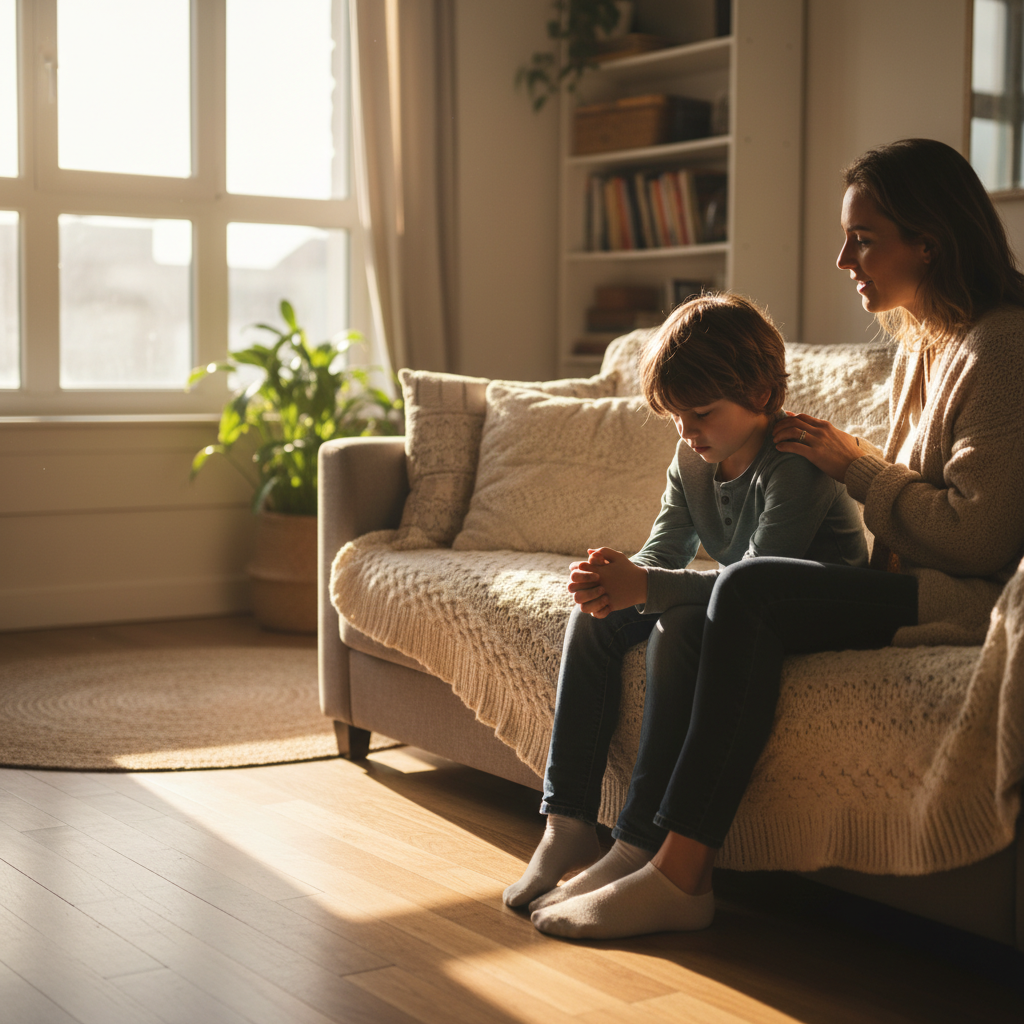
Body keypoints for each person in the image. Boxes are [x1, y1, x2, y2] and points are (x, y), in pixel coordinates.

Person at [519, 138, 1024, 941]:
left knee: (752, 586)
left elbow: (976, 536)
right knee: (700, 607)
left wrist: (855, 467)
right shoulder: (929, 344)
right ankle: (619, 839)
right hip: (911, 581)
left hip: (965, 601)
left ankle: (679, 874)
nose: (841, 257)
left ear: (928, 238)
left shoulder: (1001, 345)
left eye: (863, 236)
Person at [503, 291, 870, 927]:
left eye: (700, 413)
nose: (686, 430)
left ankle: (638, 843)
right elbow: (664, 549)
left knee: (677, 623)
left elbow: (753, 583)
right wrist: (613, 580)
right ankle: (567, 822)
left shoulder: (796, 463)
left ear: (759, 392)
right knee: (594, 617)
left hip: (807, 608)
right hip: (740, 596)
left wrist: (645, 588)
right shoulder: (690, 459)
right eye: (675, 416)